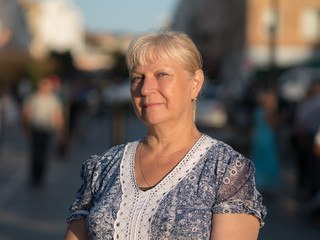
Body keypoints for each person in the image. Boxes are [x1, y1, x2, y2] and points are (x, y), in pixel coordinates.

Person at [64, 31, 266, 240]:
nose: (145, 88)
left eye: (162, 75)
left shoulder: (225, 170)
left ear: (195, 83)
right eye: (137, 78)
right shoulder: (104, 167)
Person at [22, 76, 64, 187]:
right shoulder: (33, 98)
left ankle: (40, 177)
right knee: (35, 154)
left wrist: (58, 131)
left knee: (44, 154)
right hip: (35, 128)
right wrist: (26, 128)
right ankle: (34, 176)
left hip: (47, 129)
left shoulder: (53, 99)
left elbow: (57, 115)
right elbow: (26, 113)